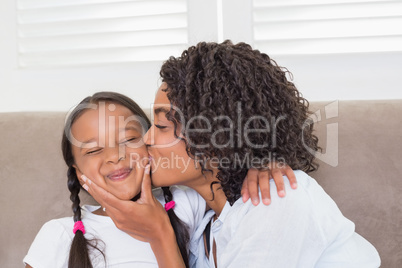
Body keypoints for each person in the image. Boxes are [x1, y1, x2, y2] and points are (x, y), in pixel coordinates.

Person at [84, 41, 381, 267]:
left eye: (161, 124)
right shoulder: (206, 228)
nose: (147, 138)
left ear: (215, 136)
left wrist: (160, 236)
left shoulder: (277, 196)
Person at [23, 92, 295, 268]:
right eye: (93, 150)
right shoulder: (58, 235)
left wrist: (262, 163)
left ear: (150, 144)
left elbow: (225, 179)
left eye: (130, 139)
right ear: (78, 172)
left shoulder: (184, 202)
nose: (115, 157)